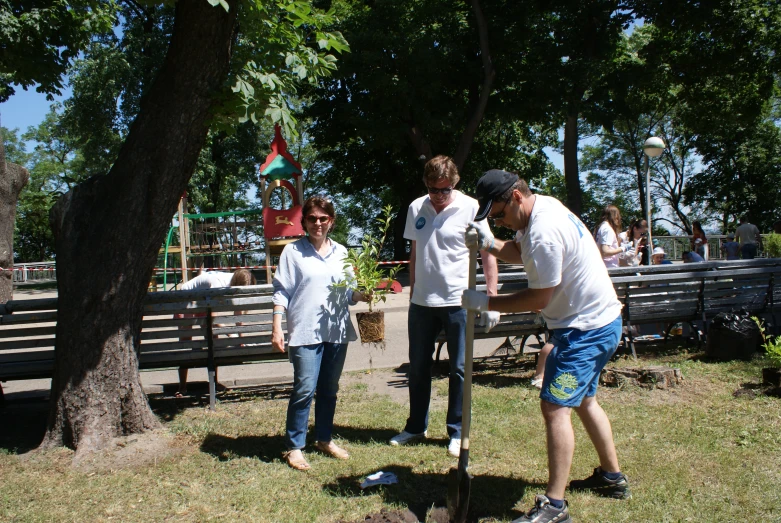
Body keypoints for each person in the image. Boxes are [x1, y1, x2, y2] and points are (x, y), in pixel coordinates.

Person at [461, 169, 628, 523]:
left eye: (500, 214)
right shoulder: (545, 208)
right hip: (599, 322)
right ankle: (612, 478)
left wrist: (486, 301)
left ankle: (554, 506)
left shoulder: (543, 231)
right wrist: (490, 243)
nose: (501, 222)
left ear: (517, 196)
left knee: (555, 408)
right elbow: (521, 251)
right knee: (584, 400)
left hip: (582, 331)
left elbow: (538, 298)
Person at [390, 156, 499, 459]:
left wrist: (491, 298)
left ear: (455, 183)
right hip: (422, 302)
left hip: (458, 301)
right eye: (433, 189)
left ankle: (456, 430)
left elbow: (489, 253)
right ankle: (415, 426)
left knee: (460, 369)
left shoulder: (472, 208)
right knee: (418, 368)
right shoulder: (416, 207)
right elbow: (415, 253)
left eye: (445, 189)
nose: (438, 196)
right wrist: (412, 293)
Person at [271, 195, 370, 471]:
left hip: (336, 330)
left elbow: (349, 293)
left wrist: (364, 294)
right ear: (304, 221)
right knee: (304, 389)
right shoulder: (293, 252)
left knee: (329, 389)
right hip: (304, 332)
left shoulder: (342, 253)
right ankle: (294, 447)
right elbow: (282, 291)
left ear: (331, 221)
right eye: (312, 218)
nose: (317, 223)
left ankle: (324, 439)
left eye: (323, 218)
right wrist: (277, 325)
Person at [176, 269, 256, 397]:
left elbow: (238, 313)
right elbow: (213, 317)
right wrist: (230, 333)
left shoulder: (235, 280)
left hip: (201, 300)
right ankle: (182, 386)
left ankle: (213, 381)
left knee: (213, 339)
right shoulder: (218, 284)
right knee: (186, 343)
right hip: (186, 300)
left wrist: (241, 339)